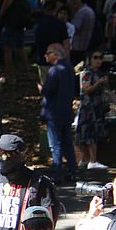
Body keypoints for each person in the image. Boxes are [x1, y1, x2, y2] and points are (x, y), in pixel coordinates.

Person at [39, 43, 77, 184]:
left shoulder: (54, 70)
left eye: (48, 53)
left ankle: (57, 174)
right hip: (66, 111)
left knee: (55, 145)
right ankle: (72, 171)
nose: (45, 55)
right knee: (67, 143)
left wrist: (41, 88)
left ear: (55, 54)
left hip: (54, 113)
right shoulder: (69, 68)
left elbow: (48, 90)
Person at [75, 50, 108, 169]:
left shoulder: (99, 72)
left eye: (100, 57)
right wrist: (99, 83)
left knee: (92, 132)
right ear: (90, 59)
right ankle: (91, 161)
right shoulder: (87, 73)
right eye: (95, 57)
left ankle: (86, 160)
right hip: (88, 108)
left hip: (97, 108)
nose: (98, 60)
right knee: (89, 133)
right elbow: (86, 90)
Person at [34, 0, 70, 86]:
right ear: (55, 10)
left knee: (45, 85)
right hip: (58, 59)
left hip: (43, 58)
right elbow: (66, 43)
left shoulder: (39, 24)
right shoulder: (60, 24)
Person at [68, 0, 96, 66]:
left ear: (74, 2)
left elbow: (74, 28)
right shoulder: (90, 10)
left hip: (77, 47)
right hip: (85, 46)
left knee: (76, 70)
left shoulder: (81, 12)